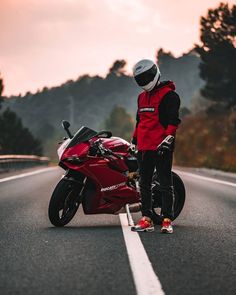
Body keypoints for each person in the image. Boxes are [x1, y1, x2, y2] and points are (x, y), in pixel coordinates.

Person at [130, 59, 181, 234]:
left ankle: (167, 220)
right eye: (140, 79)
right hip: (144, 148)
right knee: (144, 184)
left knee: (165, 184)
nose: (144, 81)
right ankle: (146, 219)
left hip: (161, 146)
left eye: (146, 77)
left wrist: (168, 139)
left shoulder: (170, 95)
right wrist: (134, 142)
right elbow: (139, 122)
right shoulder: (141, 97)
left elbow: (173, 122)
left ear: (155, 73)